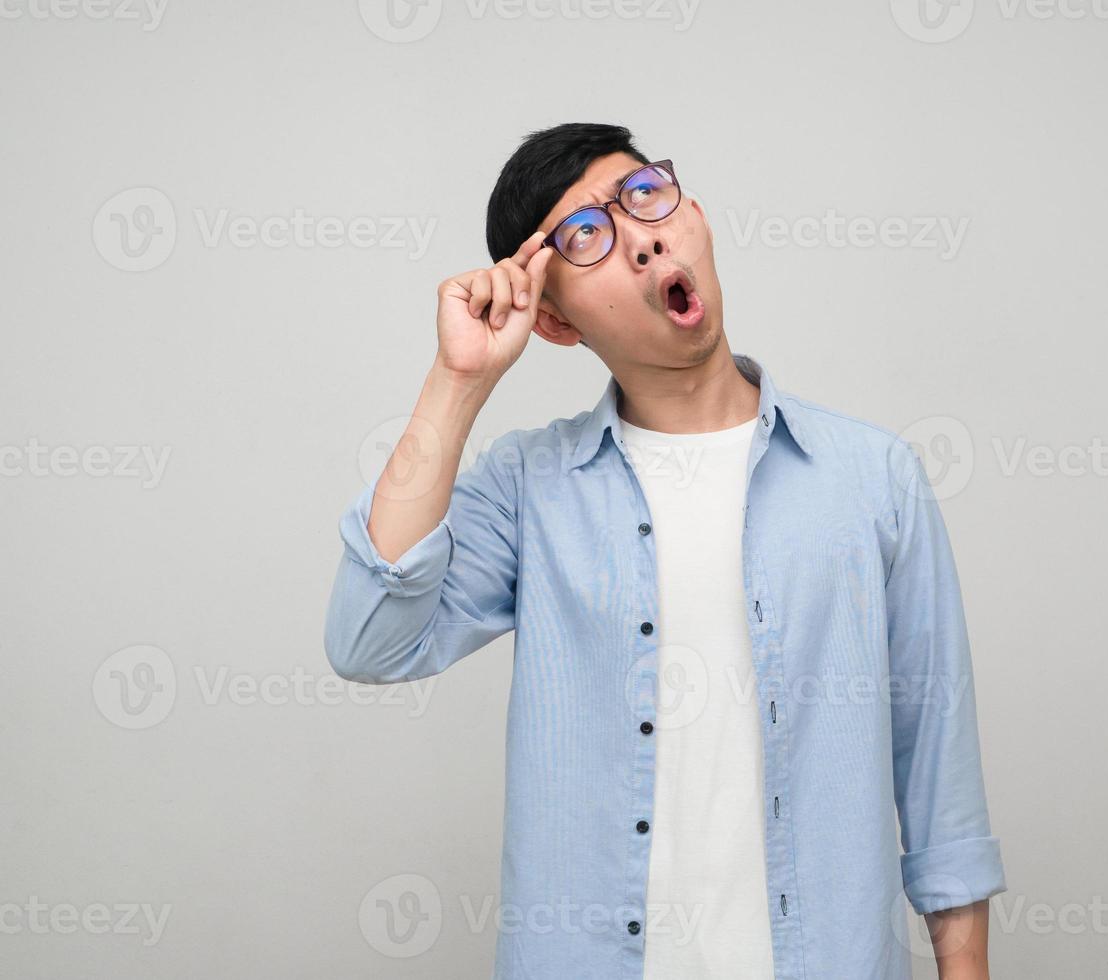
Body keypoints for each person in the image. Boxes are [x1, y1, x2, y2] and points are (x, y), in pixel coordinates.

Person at [325, 122, 1006, 979]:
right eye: (586, 236)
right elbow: (368, 640)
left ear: (696, 218)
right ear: (554, 322)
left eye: (646, 194)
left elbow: (940, 788)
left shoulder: (872, 479)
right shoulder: (532, 489)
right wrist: (457, 382)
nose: (641, 239)